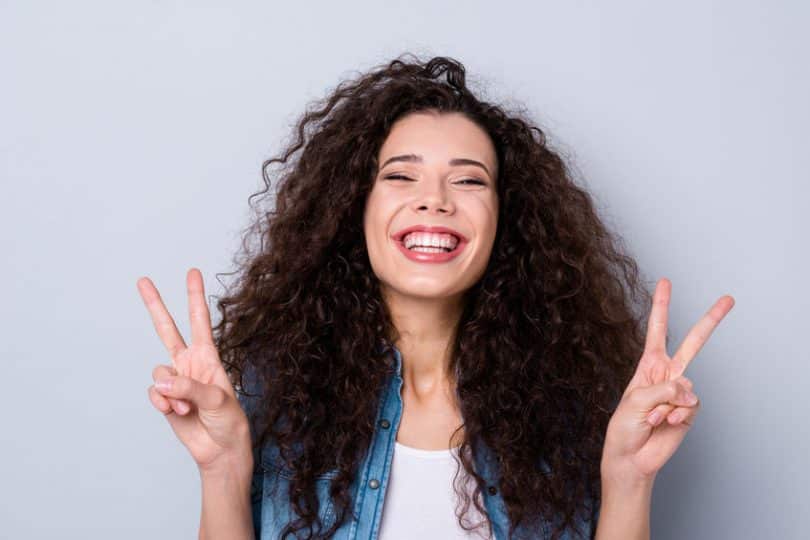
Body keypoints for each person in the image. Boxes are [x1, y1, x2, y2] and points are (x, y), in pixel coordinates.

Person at [137, 54, 734, 540]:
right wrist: (221, 470)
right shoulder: (283, 393)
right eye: (401, 175)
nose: (435, 200)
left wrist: (629, 478)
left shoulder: (565, 408)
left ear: (507, 218)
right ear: (355, 207)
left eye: (469, 179)